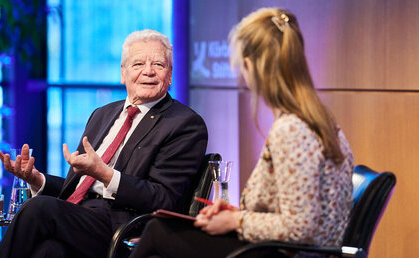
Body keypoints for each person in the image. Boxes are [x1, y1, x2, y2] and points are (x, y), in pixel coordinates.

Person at [130, 8, 354, 258]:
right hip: (282, 249)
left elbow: (302, 226)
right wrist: (236, 214)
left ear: (249, 65)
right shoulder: (319, 121)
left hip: (284, 254)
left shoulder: (292, 129)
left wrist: (237, 221)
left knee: (158, 231)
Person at [0, 29, 208, 258]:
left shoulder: (184, 123)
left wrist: (105, 174)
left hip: (125, 227)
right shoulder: (103, 114)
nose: (148, 71)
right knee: (48, 252)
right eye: (137, 65)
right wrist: (38, 180)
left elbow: (163, 198)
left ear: (170, 74)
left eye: (158, 64)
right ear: (123, 74)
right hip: (81, 220)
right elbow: (80, 188)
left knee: (37, 209)